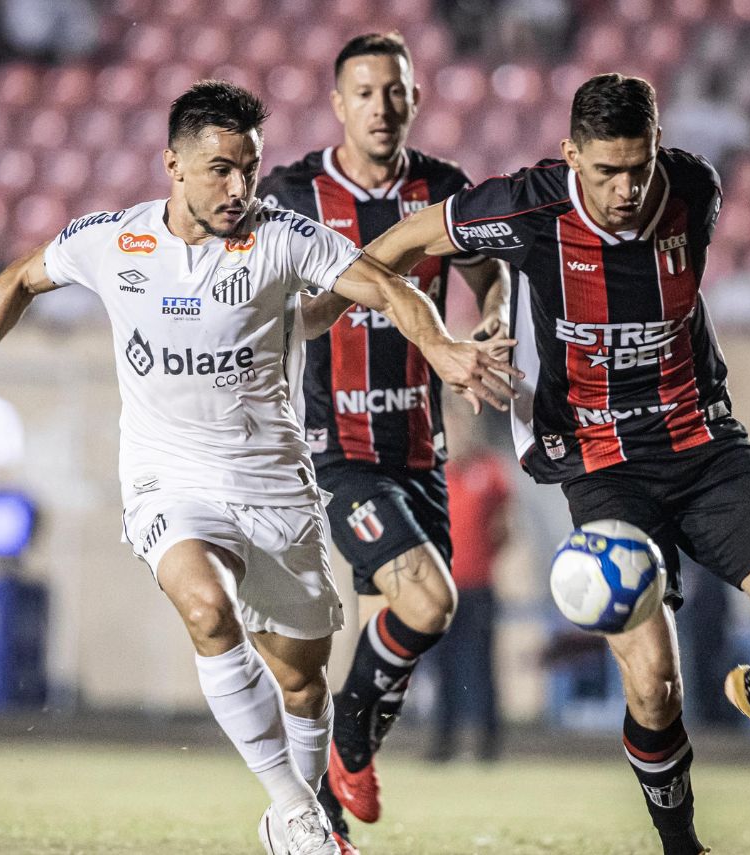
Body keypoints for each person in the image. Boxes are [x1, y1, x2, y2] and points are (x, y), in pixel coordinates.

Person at [0, 80, 516, 855]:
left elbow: (387, 285)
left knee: (301, 682)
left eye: (250, 168)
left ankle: (295, 818)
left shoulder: (284, 238)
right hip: (169, 480)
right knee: (206, 606)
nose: (239, 187)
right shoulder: (116, 240)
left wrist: (439, 346)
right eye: (221, 169)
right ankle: (297, 812)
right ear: (174, 165)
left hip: (274, 485)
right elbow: (18, 279)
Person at [360, 73, 750, 855]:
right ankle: (682, 845)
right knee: (653, 679)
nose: (625, 189)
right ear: (569, 156)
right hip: (599, 461)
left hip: (702, 443)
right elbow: (395, 247)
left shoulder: (695, 189)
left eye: (639, 167)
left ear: (660, 152)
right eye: (605, 171)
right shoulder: (526, 208)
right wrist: (438, 343)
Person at [257, 32, 510, 851]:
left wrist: (496, 317)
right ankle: (344, 752)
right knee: (430, 602)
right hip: (337, 450)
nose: (381, 105)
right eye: (364, 92)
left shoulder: (441, 190)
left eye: (395, 90)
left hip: (420, 450)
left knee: (392, 650)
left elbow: (488, 270)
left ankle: (322, 826)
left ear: (415, 98)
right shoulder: (293, 193)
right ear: (338, 104)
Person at [425, 400, 511, 762]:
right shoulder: (431, 473)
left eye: (465, 428)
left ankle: (486, 742)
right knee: (441, 667)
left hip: (478, 587)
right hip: (439, 589)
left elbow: (503, 529)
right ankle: (442, 741)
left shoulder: (491, 473)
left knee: (479, 666)